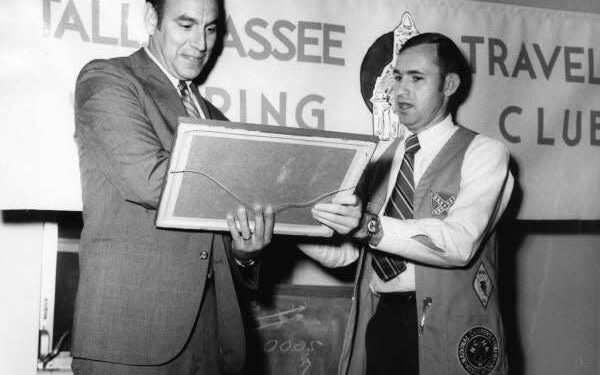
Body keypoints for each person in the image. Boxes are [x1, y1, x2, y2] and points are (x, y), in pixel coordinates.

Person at [71, 0, 274, 373]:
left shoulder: (214, 118)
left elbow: (220, 241)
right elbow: (150, 181)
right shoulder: (107, 79)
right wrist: (251, 190)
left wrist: (246, 250)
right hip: (129, 339)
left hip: (210, 342)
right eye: (186, 25)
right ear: (152, 20)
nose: (201, 43)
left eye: (211, 29)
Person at [299, 32, 514, 375]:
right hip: (384, 320)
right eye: (397, 77)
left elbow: (460, 243)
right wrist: (296, 227)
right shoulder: (384, 156)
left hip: (449, 329)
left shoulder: (484, 153)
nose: (400, 90)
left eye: (416, 78)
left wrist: (369, 225)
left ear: (449, 84)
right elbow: (352, 255)